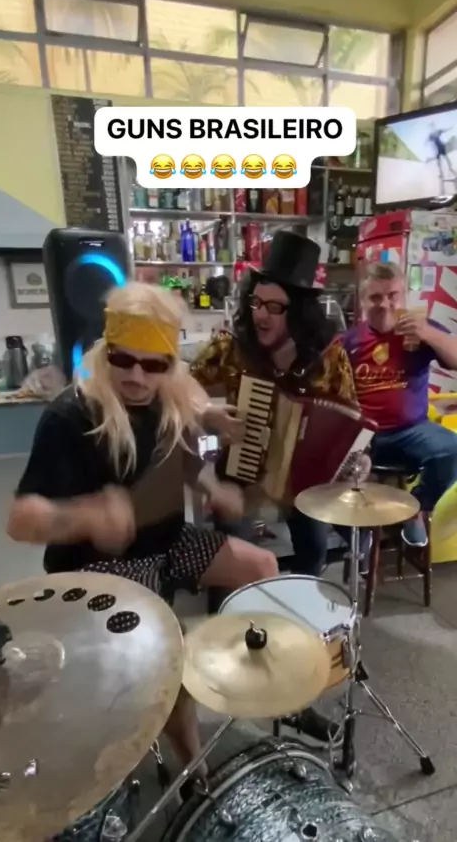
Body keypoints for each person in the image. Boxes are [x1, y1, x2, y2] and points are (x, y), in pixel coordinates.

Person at [6, 281, 278, 780]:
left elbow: (177, 457)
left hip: (168, 541)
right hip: (99, 567)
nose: (137, 376)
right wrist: (86, 515)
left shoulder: (169, 395)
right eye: (123, 359)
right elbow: (20, 520)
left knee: (263, 566)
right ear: (106, 350)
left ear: (169, 363)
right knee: (171, 654)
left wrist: (210, 484)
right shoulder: (70, 416)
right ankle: (191, 767)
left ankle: (247, 682)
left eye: (153, 365)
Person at [190, 230, 370, 743]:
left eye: (275, 306)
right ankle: (233, 644)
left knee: (313, 546)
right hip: (241, 478)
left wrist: (357, 461)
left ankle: (295, 638)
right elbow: (179, 391)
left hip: (303, 482)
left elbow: (352, 423)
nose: (261, 315)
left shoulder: (328, 358)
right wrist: (208, 416)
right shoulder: (231, 350)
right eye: (257, 303)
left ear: (301, 312)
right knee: (232, 550)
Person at [341, 260, 457, 547]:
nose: (385, 304)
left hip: (411, 430)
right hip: (363, 432)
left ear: (403, 296)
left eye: (392, 295)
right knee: (327, 476)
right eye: (375, 297)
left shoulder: (421, 330)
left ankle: (415, 509)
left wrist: (428, 334)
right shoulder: (348, 341)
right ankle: (359, 540)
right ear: (362, 302)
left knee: (453, 449)